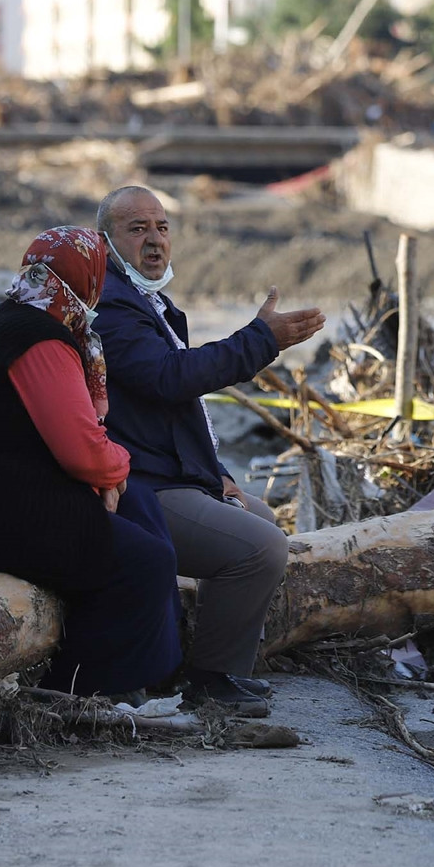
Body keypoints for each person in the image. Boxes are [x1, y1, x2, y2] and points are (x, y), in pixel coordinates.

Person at [0, 225, 180, 698]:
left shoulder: (20, 317)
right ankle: (82, 688)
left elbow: (80, 443)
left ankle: (154, 672)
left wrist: (110, 475)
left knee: (144, 511)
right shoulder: (41, 340)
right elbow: (83, 450)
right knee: (145, 561)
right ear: (87, 280)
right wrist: (113, 470)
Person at [94, 186, 326, 709]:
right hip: (133, 485)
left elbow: (174, 409)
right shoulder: (110, 305)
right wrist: (261, 340)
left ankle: (207, 664)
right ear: (105, 242)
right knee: (259, 548)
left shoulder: (148, 302)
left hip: (157, 470)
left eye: (162, 227)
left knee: (262, 519)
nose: (154, 241)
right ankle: (209, 685)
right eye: (137, 229)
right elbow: (170, 379)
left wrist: (212, 470)